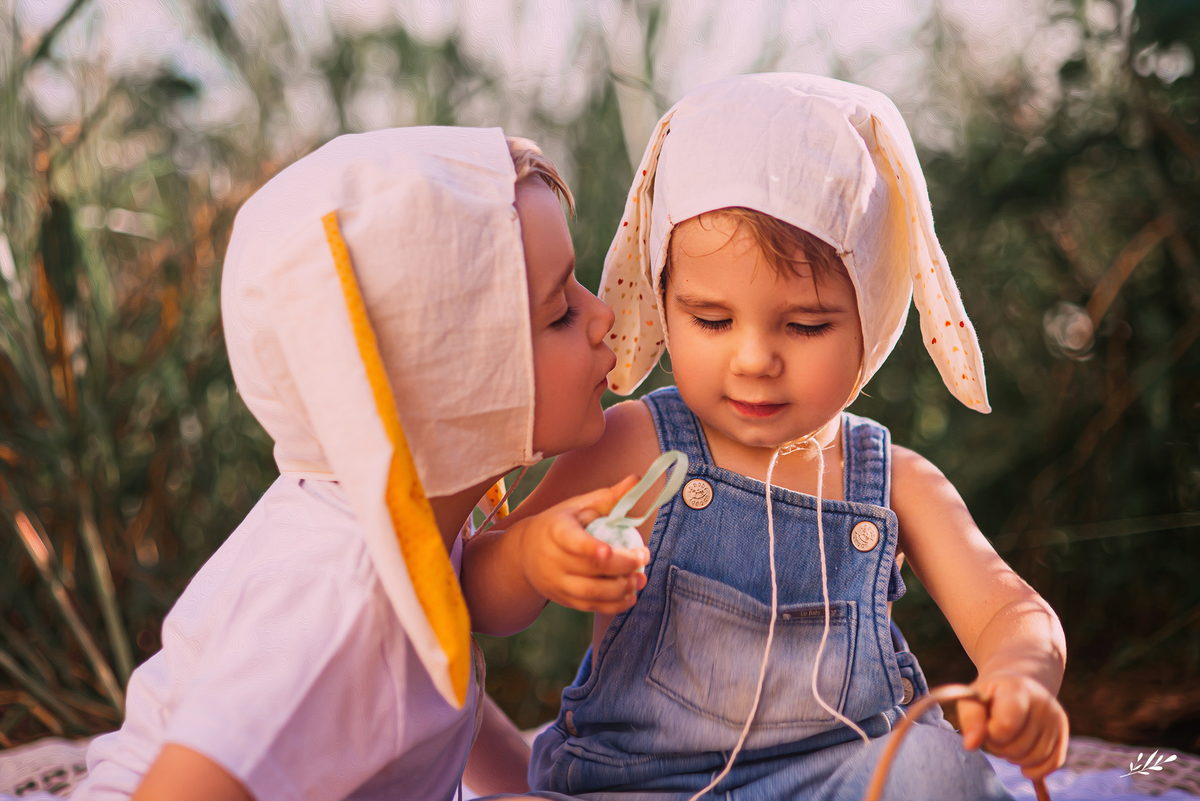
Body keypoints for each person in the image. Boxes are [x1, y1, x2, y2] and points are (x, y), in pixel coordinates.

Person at [462, 74, 1069, 800]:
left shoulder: (889, 480)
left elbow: (1008, 607)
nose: (753, 359)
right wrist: (531, 558)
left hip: (835, 779)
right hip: (640, 783)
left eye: (806, 325)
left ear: (871, 318)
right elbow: (479, 598)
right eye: (711, 320)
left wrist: (1018, 677)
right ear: (663, 301)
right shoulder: (635, 444)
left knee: (939, 768)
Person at [72, 127, 647, 801]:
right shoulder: (342, 592)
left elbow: (430, 699)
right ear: (450, 379)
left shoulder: (410, 527)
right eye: (557, 312)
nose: (602, 314)